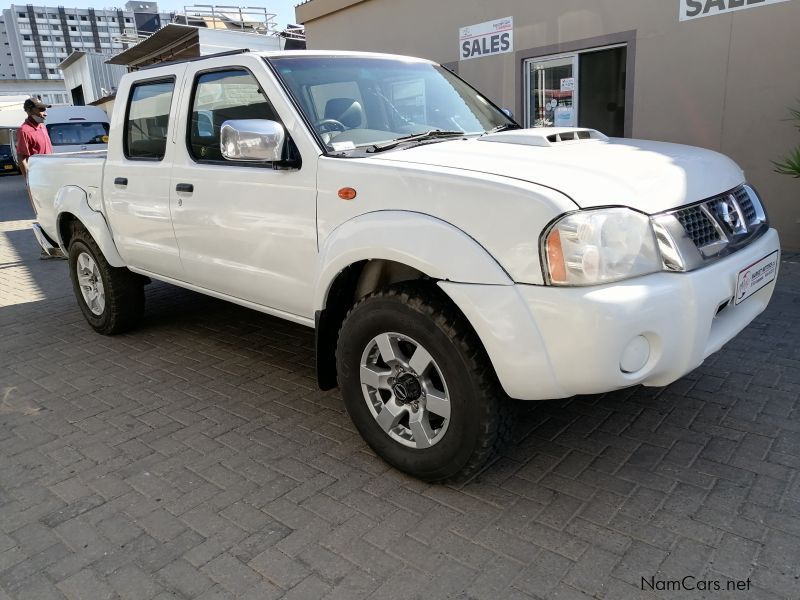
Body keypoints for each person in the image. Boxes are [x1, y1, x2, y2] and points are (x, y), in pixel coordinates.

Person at [16, 97, 53, 179]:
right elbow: (21, 157)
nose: (45, 113)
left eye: (44, 109)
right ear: (29, 111)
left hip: (50, 172)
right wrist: (29, 181)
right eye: (41, 109)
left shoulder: (42, 126)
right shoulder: (24, 130)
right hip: (38, 177)